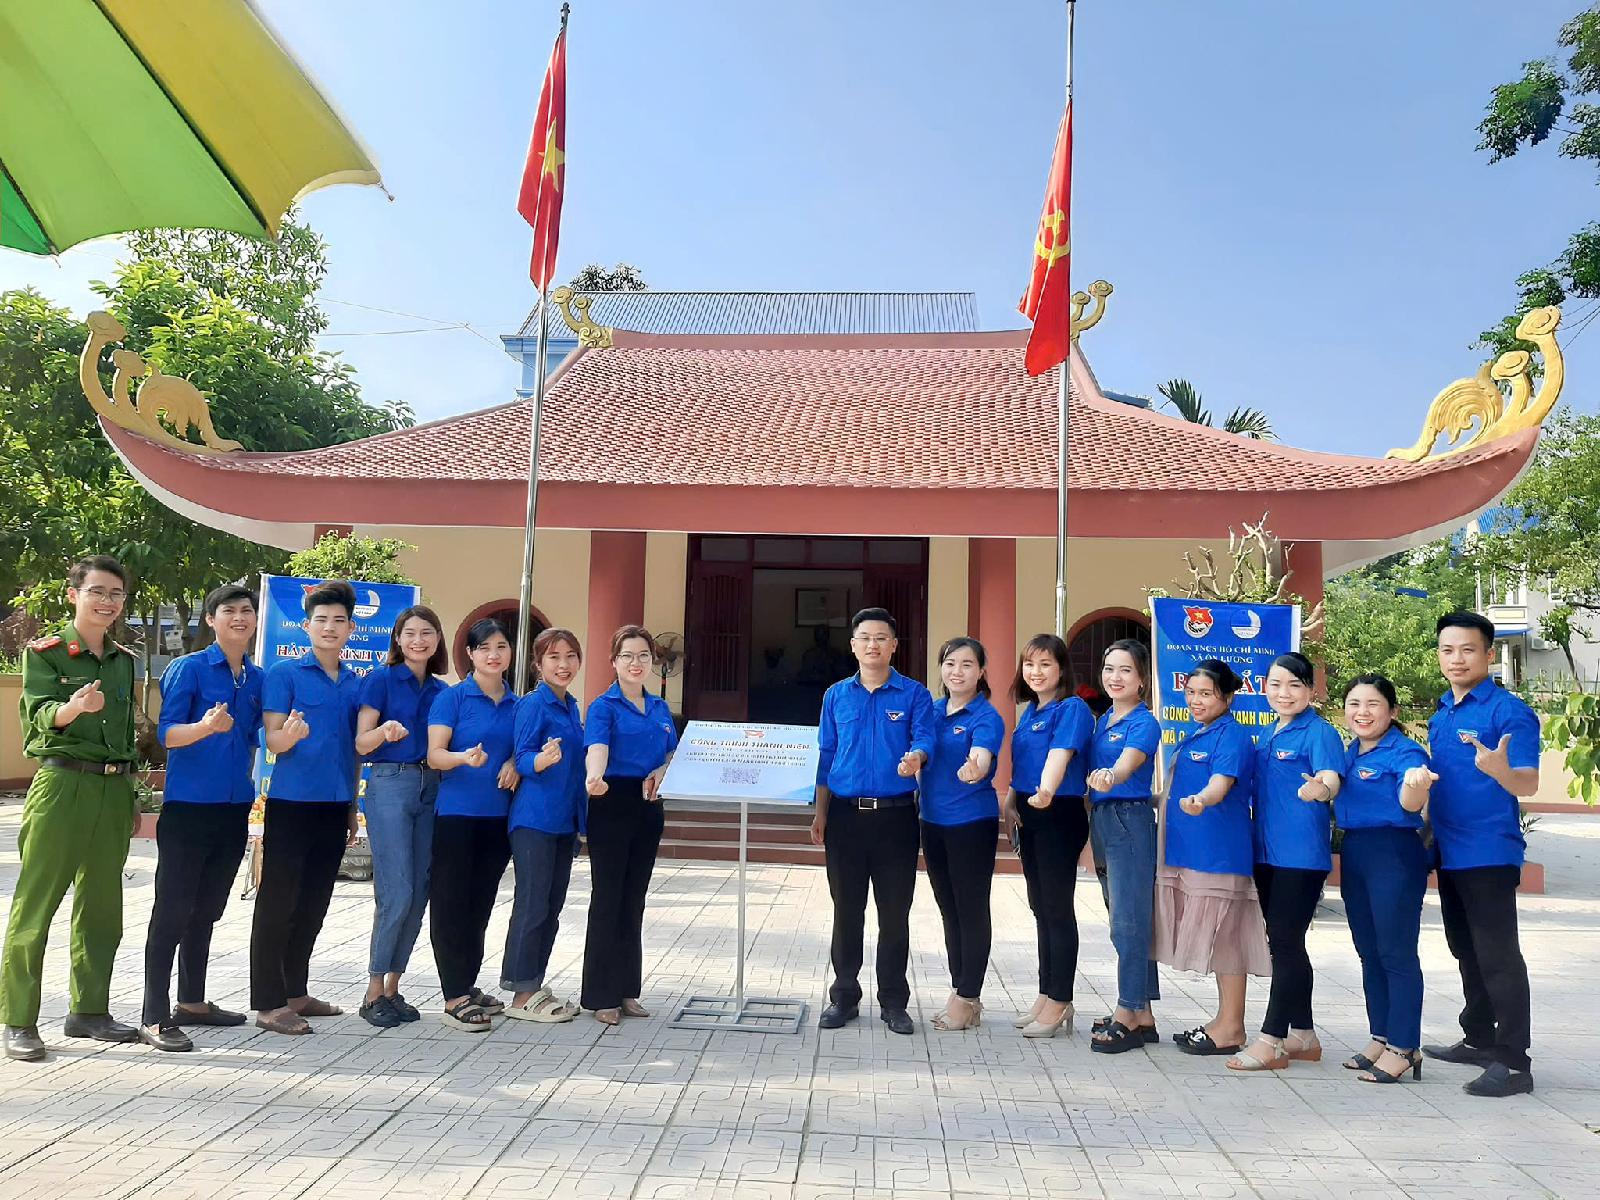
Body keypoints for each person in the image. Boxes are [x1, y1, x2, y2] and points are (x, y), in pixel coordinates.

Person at [1, 556, 140, 1061]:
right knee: (36, 904)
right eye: (97, 591)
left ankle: (90, 1010)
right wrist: (74, 707)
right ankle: (19, 1020)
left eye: (116, 594)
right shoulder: (47, 653)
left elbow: (126, 733)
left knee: (102, 906)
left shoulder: (124, 660)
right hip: (62, 784)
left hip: (113, 788)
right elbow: (39, 716)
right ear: (73, 595)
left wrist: (132, 794)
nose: (107, 602)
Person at [140, 583, 266, 1052]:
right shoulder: (188, 668)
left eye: (247, 610)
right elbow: (167, 734)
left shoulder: (256, 678)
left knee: (207, 909)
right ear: (210, 620)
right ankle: (153, 1015)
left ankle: (192, 1002)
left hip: (233, 810)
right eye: (228, 610)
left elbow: (257, 737)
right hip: (189, 809)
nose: (239, 617)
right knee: (172, 910)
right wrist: (205, 727)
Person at [1422, 611, 1542, 1098]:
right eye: (1448, 650)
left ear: (1489, 654)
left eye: (1468, 649)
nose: (1457, 659)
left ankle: (1513, 1062)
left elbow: (1528, 783)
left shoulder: (1509, 712)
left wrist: (1500, 771)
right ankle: (1478, 1037)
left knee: (1497, 955)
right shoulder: (1441, 714)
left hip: (1488, 850)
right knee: (1465, 949)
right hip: (1449, 851)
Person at [809, 607, 935, 1036]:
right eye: (864, 637)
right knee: (847, 910)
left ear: (894, 645)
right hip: (845, 817)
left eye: (881, 637)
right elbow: (826, 755)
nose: (872, 645)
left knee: (895, 913)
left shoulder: (914, 694)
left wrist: (917, 757)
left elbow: (924, 737)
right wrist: (820, 812)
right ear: (853, 645)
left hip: (896, 818)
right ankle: (843, 996)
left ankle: (894, 1001)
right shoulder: (836, 696)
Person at [252, 579, 362, 1035]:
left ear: (351, 628)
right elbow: (272, 739)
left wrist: (352, 806)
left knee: (314, 903)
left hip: (335, 806)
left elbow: (355, 751)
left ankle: (296, 991)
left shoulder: (354, 683)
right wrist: (289, 736)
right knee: (278, 903)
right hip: (292, 804)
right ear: (306, 626)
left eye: (338, 620)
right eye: (321, 620)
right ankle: (268, 1003)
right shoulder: (285, 674)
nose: (329, 627)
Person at [1228, 651, 1344, 1072]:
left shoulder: (1319, 732)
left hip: (1300, 856)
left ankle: (1272, 1039)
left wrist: (1321, 790)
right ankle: (1304, 1035)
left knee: (1285, 942)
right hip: (1265, 854)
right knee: (1286, 944)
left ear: (1311, 691)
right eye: (1275, 684)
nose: (1284, 693)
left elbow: (1330, 777)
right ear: (1263, 688)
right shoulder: (1267, 733)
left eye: (1295, 685)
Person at [1152, 658, 1268, 1058]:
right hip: (1190, 851)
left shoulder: (1232, 736)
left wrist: (1202, 800)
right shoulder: (1198, 733)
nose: (1196, 701)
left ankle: (1232, 1025)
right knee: (1221, 941)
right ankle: (1224, 1021)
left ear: (1228, 697)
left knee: (1227, 938)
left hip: (1218, 854)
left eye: (1206, 694)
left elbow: (1220, 784)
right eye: (1191, 693)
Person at [353, 605, 448, 1028]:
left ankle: (393, 987)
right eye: (410, 633)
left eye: (427, 632)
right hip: (391, 781)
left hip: (432, 785)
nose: (418, 640)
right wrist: (384, 731)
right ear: (397, 638)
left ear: (438, 639)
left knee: (420, 889)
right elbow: (361, 743)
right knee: (397, 891)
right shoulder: (381, 679)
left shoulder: (442, 690)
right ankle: (373, 991)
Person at [1337, 673, 1433, 1085]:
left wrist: (1415, 786)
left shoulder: (1406, 752)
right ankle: (1381, 1036)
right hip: (1356, 851)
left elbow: (1410, 800)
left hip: (1393, 853)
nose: (1362, 712)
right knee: (1369, 951)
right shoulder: (1348, 752)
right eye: (1354, 704)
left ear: (1392, 711)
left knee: (1396, 952)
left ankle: (1405, 1046)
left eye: (1373, 704)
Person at [426, 618, 520, 1031]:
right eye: (484, 648)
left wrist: (515, 761)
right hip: (457, 816)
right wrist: (463, 757)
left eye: (501, 646)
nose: (493, 655)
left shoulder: (518, 704)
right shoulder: (453, 698)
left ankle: (467, 983)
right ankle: (454, 996)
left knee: (480, 904)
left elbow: (525, 748)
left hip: (499, 819)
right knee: (451, 904)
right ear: (470, 654)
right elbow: (435, 754)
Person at [582, 625, 678, 1026]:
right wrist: (594, 777)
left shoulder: (659, 708)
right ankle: (600, 995)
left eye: (643, 656)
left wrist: (662, 770)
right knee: (608, 897)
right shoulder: (603, 706)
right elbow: (597, 748)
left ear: (653, 661)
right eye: (627, 656)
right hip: (611, 799)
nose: (635, 663)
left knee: (634, 897)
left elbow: (672, 753)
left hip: (649, 804)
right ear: (614, 661)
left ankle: (626, 990)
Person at [1004, 633, 1093, 1039]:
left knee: (1057, 908)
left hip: (1057, 810)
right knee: (1041, 906)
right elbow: (1024, 763)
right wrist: (1012, 801)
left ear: (1061, 669)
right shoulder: (1030, 711)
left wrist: (1045, 791)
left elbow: (1059, 755)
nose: (1036, 672)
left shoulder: (1071, 708)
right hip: (1030, 811)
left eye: (1045, 664)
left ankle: (1061, 999)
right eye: (1029, 664)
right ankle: (1046, 994)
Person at [919, 636, 1004, 1033]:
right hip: (932, 821)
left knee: (970, 909)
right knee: (948, 909)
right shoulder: (932, 711)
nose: (957, 671)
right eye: (950, 663)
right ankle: (962, 992)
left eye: (967, 664)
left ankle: (968, 996)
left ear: (981, 671)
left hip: (971, 823)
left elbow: (982, 756)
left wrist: (976, 767)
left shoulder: (985, 716)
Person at [502, 627, 586, 1022]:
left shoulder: (571, 706)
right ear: (538, 664)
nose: (563, 664)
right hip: (534, 820)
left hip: (564, 822)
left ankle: (534, 982)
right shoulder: (533, 705)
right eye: (554, 657)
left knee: (551, 907)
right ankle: (521, 994)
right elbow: (520, 757)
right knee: (533, 904)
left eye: (570, 656)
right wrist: (542, 760)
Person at [1086, 639, 1164, 1054]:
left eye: (1125, 670)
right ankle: (1143, 1013)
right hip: (1104, 821)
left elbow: (1127, 764)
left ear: (1142, 679)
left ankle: (1128, 1010)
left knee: (1128, 921)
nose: (1115, 678)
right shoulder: (1104, 720)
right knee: (1124, 916)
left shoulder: (1144, 722)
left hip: (1128, 819)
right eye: (1109, 669)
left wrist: (1110, 776)